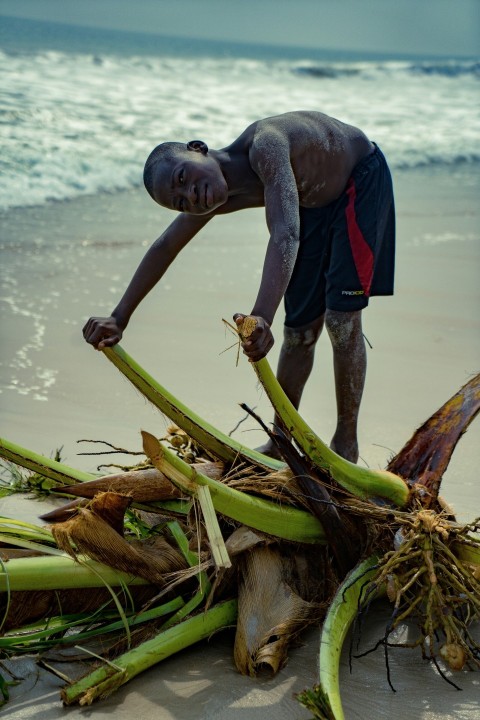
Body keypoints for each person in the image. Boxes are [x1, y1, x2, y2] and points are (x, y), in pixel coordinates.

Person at [83, 111, 395, 463]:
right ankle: (282, 440)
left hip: (359, 182)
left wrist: (261, 315)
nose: (192, 196)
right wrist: (119, 318)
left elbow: (286, 233)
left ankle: (345, 445)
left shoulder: (267, 145)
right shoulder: (217, 197)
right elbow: (165, 246)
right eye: (181, 201)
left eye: (183, 177)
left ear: (198, 148)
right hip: (308, 204)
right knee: (299, 332)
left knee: (340, 320)